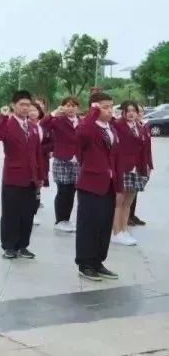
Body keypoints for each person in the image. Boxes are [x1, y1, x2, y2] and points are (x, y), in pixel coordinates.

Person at [0, 90, 45, 260]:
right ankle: (9, 246)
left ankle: (23, 245)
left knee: (27, 214)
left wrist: (40, 175)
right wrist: (2, 117)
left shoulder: (33, 127)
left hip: (31, 177)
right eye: (22, 104)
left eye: (28, 105)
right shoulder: (8, 124)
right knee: (10, 213)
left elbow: (38, 153)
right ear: (13, 105)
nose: (25, 108)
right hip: (13, 176)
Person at [75, 94, 121, 281]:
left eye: (111, 106)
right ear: (94, 108)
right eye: (105, 107)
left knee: (104, 224)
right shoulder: (88, 127)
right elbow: (82, 136)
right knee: (89, 224)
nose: (110, 110)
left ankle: (97, 261)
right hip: (90, 184)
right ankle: (85, 263)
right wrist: (93, 112)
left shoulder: (111, 128)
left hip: (109, 183)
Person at [112, 101, 152, 246]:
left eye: (134, 111)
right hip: (122, 167)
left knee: (128, 202)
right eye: (128, 111)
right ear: (123, 112)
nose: (131, 113)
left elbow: (146, 148)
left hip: (137, 167)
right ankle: (116, 232)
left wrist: (148, 165)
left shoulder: (141, 127)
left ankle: (124, 230)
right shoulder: (117, 125)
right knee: (119, 201)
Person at [41, 97, 81, 233]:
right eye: (67, 105)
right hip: (62, 159)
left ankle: (66, 219)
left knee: (72, 191)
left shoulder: (81, 122)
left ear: (77, 108)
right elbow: (42, 125)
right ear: (62, 107)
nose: (70, 108)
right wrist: (53, 113)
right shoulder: (57, 120)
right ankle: (59, 220)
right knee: (63, 190)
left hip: (77, 161)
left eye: (73, 106)